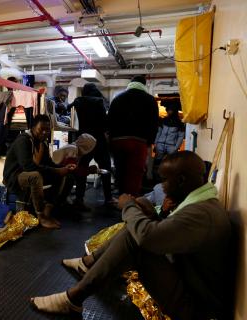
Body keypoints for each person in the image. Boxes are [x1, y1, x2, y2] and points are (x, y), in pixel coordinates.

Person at [31, 151, 232, 320]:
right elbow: (167, 236)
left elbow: (149, 238)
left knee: (135, 238)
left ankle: (73, 297)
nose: (162, 186)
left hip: (198, 310)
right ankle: (87, 264)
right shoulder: (203, 205)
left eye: (164, 180)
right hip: (192, 290)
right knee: (136, 229)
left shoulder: (201, 214)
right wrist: (154, 214)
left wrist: (128, 205)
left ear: (181, 181)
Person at [3, 114, 76, 229]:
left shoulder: (42, 143)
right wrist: (57, 171)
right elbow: (28, 167)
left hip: (29, 173)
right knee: (35, 176)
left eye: (47, 130)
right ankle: (41, 216)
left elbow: (48, 164)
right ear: (33, 128)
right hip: (15, 177)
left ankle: (47, 212)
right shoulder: (23, 140)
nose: (44, 132)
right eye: (41, 129)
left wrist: (64, 168)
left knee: (66, 176)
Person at [108, 75, 159, 196]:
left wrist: (111, 141)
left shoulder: (118, 98)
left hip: (118, 140)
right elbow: (154, 123)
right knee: (135, 171)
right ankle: (132, 198)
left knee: (120, 169)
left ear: (131, 83)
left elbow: (110, 120)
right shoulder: (150, 100)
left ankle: (121, 196)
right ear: (144, 84)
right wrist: (150, 142)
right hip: (139, 141)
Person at [68, 83, 114, 205]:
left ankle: (79, 198)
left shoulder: (78, 101)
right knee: (105, 168)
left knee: (82, 169)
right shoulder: (99, 101)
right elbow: (105, 123)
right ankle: (108, 198)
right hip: (99, 141)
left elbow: (67, 112)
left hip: (84, 141)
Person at [52, 133, 99, 209]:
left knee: (71, 177)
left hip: (55, 170)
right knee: (70, 178)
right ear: (87, 147)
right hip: (53, 172)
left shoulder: (75, 149)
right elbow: (71, 169)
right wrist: (89, 171)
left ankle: (65, 201)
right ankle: (60, 202)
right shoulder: (73, 149)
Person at [153, 101, 185, 181]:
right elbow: (158, 132)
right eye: (168, 110)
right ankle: (156, 179)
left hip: (171, 146)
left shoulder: (179, 124)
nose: (168, 111)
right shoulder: (163, 121)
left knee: (171, 164)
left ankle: (168, 180)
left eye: (170, 110)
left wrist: (175, 148)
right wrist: (156, 143)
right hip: (160, 144)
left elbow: (180, 137)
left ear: (174, 111)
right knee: (157, 162)